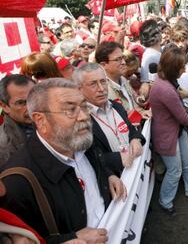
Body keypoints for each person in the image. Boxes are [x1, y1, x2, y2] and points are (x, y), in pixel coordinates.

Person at [0, 78, 126, 243]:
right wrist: (70, 239)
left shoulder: (82, 137)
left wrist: (108, 175)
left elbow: (97, 162)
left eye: (83, 106)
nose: (83, 117)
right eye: (70, 110)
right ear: (40, 120)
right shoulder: (16, 182)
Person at [149, 47, 188, 215]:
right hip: (167, 135)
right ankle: (165, 201)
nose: (184, 70)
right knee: (175, 170)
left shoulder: (167, 81)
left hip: (176, 131)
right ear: (173, 69)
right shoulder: (165, 88)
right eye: (181, 67)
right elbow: (183, 117)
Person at [73, 63, 145, 175]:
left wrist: (136, 139)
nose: (101, 89)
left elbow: (131, 129)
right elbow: (86, 159)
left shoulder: (117, 106)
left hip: (135, 175)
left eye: (103, 81)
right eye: (93, 84)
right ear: (79, 89)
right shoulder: (78, 120)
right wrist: (117, 159)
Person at [0, 75, 35, 167]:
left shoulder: (55, 119)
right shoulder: (3, 146)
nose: (30, 107)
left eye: (33, 99)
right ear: (4, 106)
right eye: (21, 103)